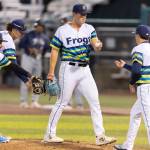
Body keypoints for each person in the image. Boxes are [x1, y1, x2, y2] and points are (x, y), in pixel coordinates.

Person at [43, 3, 116, 145]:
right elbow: (54, 51)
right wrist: (51, 73)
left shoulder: (89, 28)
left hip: (85, 70)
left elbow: (96, 44)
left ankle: (100, 136)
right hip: (68, 69)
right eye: (81, 14)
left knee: (95, 102)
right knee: (62, 102)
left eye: (85, 14)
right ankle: (49, 134)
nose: (84, 17)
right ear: (74, 14)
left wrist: (98, 45)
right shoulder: (62, 30)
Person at [114, 25, 150, 150]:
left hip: (145, 89)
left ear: (138, 35)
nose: (135, 36)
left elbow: (137, 71)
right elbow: (142, 68)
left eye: (135, 34)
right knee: (135, 114)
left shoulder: (138, 49)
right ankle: (127, 146)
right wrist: (125, 66)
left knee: (148, 120)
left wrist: (131, 82)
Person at [0, 19, 33, 143]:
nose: (22, 34)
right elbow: (13, 65)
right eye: (20, 31)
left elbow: (11, 65)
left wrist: (26, 78)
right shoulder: (7, 40)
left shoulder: (2, 34)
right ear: (13, 29)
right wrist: (27, 78)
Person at [19, 19, 50, 108]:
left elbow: (47, 48)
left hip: (38, 59)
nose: (38, 27)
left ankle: (34, 101)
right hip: (28, 57)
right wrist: (28, 48)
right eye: (37, 26)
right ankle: (23, 101)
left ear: (43, 27)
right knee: (25, 78)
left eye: (40, 26)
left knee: (37, 80)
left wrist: (41, 54)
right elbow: (21, 44)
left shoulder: (45, 37)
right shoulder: (28, 34)